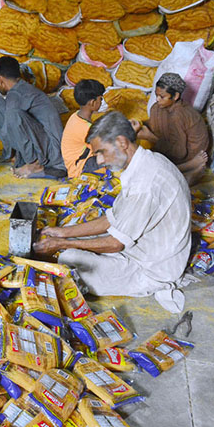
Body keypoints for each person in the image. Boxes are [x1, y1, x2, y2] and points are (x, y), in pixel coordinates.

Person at [34, 111, 192, 313]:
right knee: (70, 242)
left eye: (101, 151)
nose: (99, 161)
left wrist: (63, 243)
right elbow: (112, 218)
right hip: (139, 248)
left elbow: (116, 243)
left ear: (122, 142)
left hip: (152, 267)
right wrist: (62, 232)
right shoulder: (144, 163)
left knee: (69, 262)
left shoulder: (146, 183)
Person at [0, 56, 66, 178]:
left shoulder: (16, 94)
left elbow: (13, 122)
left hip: (52, 152)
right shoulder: (23, 88)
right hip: (46, 144)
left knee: (13, 115)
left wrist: (0, 126)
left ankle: (33, 163)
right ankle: (12, 155)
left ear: (0, 80)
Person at [131, 72, 210, 185]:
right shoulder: (158, 108)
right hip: (173, 144)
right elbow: (155, 124)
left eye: (162, 96)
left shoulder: (179, 115)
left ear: (176, 96)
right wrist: (140, 125)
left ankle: (189, 167)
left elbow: (179, 152)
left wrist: (150, 137)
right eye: (156, 95)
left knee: (152, 172)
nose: (157, 99)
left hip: (188, 153)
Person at [61, 79, 105, 178]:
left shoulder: (76, 115)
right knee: (113, 158)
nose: (101, 102)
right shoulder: (85, 128)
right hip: (79, 168)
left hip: (78, 160)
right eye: (100, 99)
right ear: (93, 102)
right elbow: (101, 148)